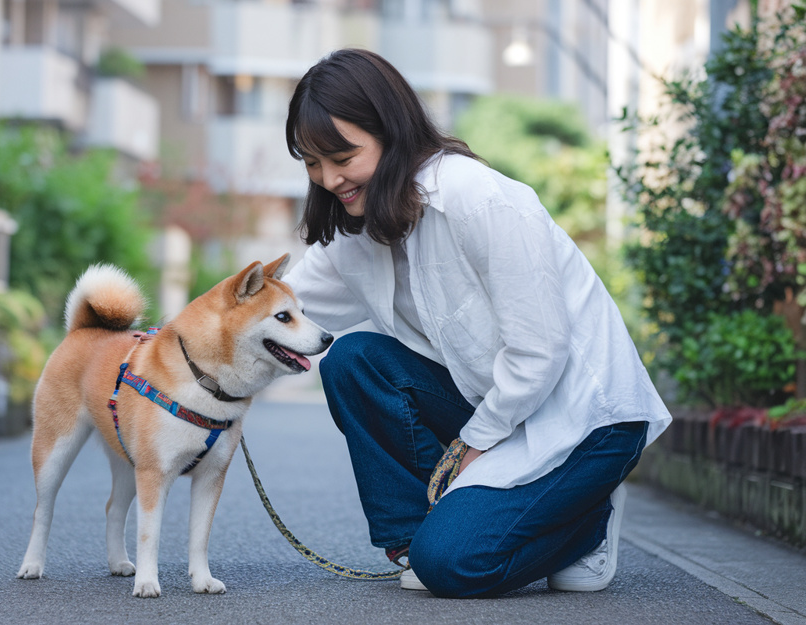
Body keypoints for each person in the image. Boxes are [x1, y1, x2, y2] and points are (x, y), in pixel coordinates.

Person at [280, 49, 672, 599]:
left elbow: (540, 351)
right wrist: (169, 349)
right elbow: (276, 311)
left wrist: (473, 443)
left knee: (454, 567)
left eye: (342, 156)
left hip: (586, 421)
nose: (328, 179)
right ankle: (419, 540)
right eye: (312, 163)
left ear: (391, 133)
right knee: (353, 360)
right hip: (498, 407)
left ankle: (587, 517)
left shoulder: (478, 198)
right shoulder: (357, 232)